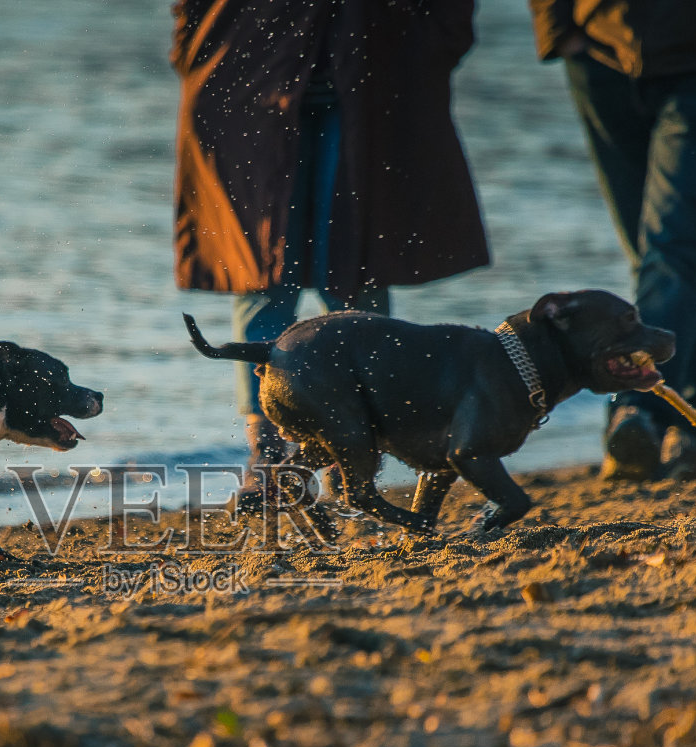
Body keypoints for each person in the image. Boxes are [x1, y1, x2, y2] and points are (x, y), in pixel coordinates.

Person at [172, 0, 489, 511]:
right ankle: (270, 455)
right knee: (263, 275)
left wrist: (440, 42)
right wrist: (193, 42)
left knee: (356, 266)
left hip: (378, 71)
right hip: (248, 66)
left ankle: (355, 448)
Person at [529, 1, 696, 480]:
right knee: (655, 256)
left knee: (669, 246)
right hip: (599, 51)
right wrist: (559, 31)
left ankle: (635, 408)